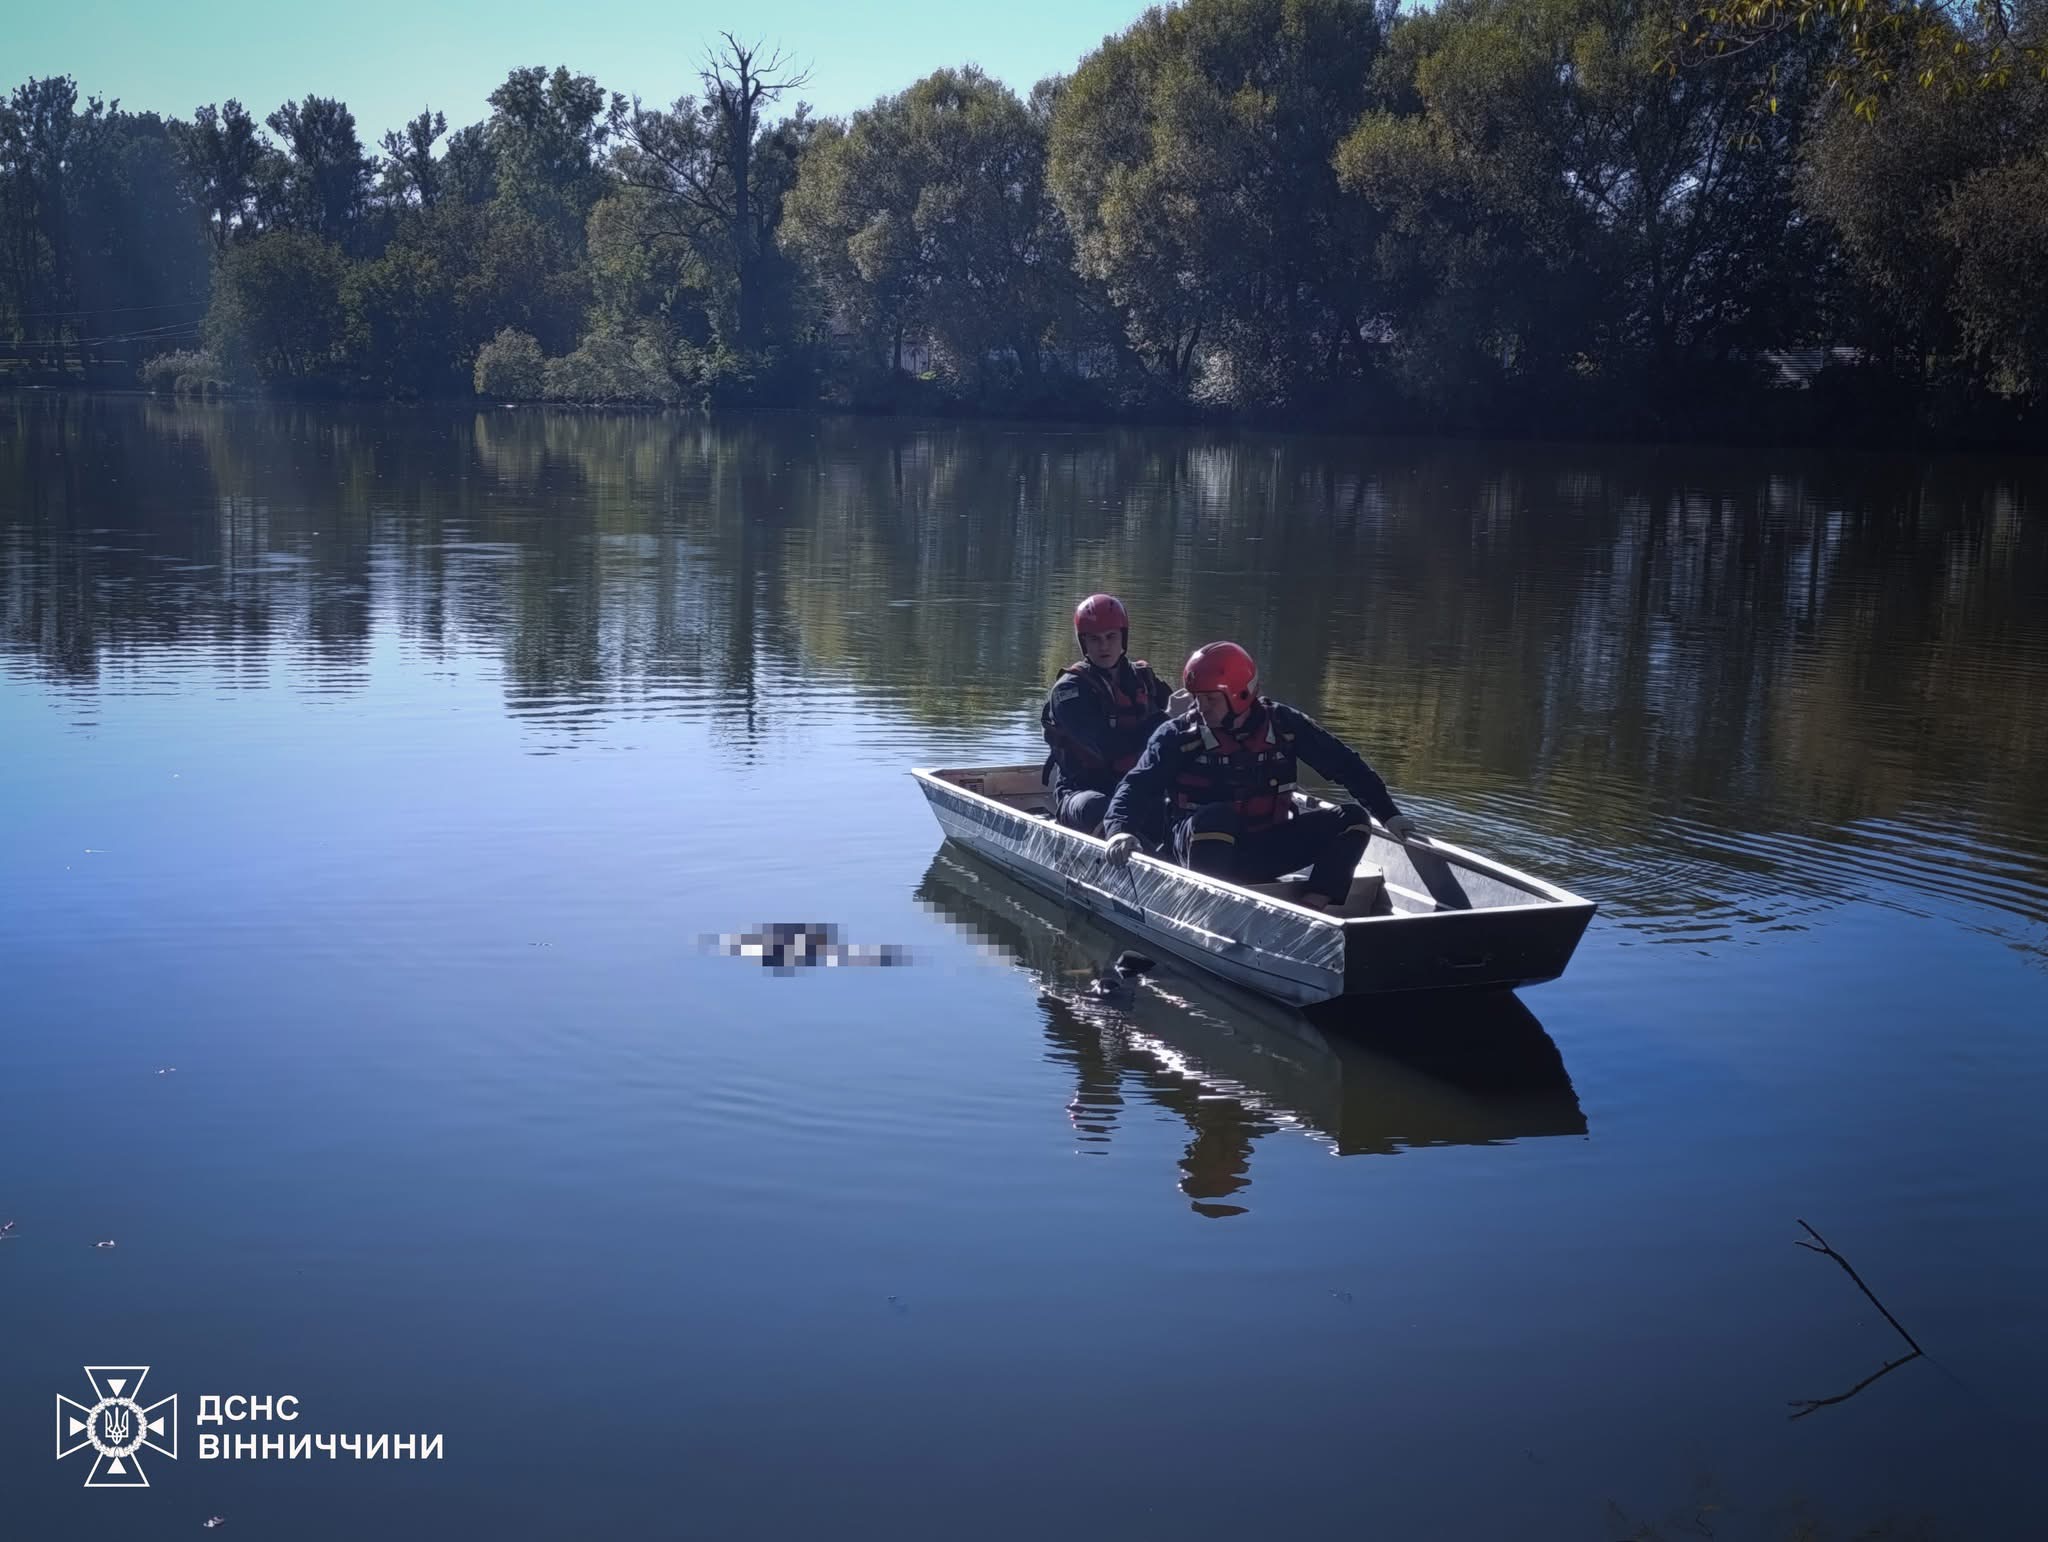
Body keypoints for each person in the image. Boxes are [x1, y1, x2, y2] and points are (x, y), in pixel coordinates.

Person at [1100, 641, 1419, 911]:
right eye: (1197, 697)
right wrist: (1120, 830)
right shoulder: (1177, 735)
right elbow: (1136, 784)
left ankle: (1314, 907)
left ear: (1239, 695)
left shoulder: (1284, 724)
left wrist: (1389, 813)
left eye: (1211, 699)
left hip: (1266, 846)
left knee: (1353, 819)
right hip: (1200, 847)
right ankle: (1208, 908)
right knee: (1217, 817)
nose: (1201, 707)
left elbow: (1345, 764)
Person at [1040, 593, 1174, 833]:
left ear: (1123, 637)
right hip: (1081, 791)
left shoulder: (1143, 678)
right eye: (1094, 639)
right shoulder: (1069, 691)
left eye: (1111, 637)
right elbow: (1107, 747)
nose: (1103, 646)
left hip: (1137, 786)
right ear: (1084, 643)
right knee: (1101, 807)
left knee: (1180, 803)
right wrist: (1167, 722)